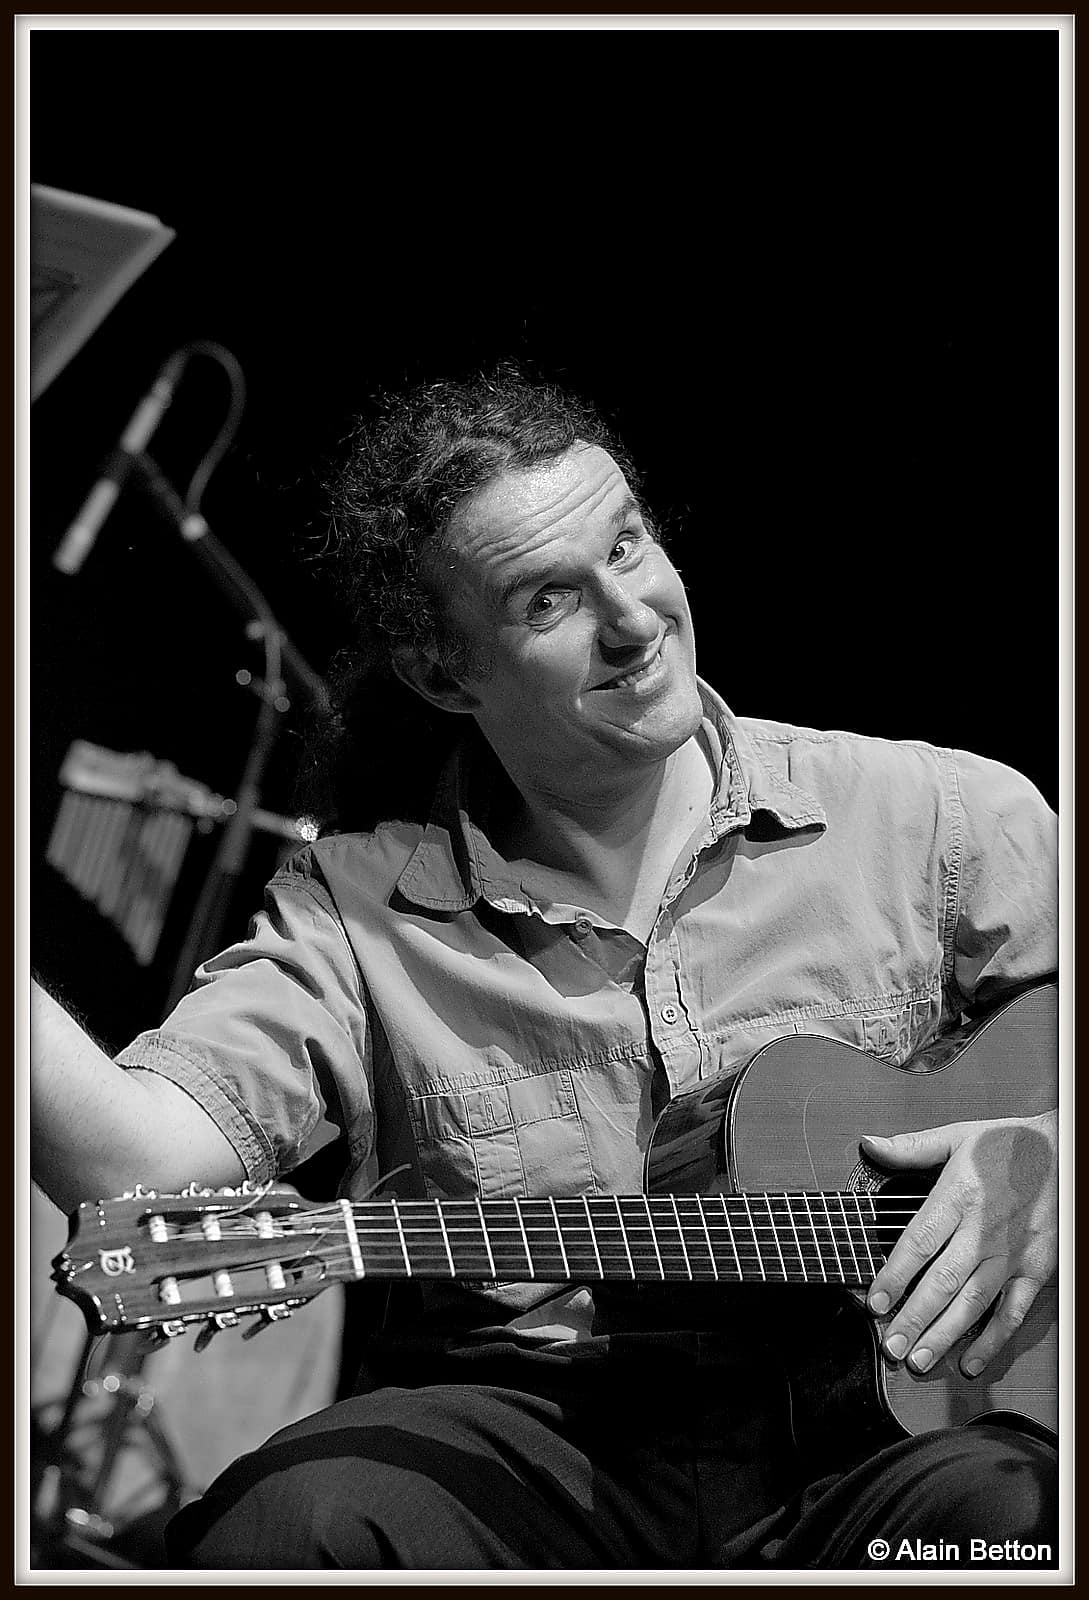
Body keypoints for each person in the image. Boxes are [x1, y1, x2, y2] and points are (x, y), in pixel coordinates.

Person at [32, 369, 1059, 1571]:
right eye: (550, 598)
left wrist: (1052, 1154)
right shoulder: (356, 916)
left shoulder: (942, 817)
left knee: (1017, 1514)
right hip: (546, 1447)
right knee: (291, 1526)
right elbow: (139, 1169)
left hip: (887, 1429)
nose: (633, 619)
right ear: (443, 674)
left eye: (627, 545)